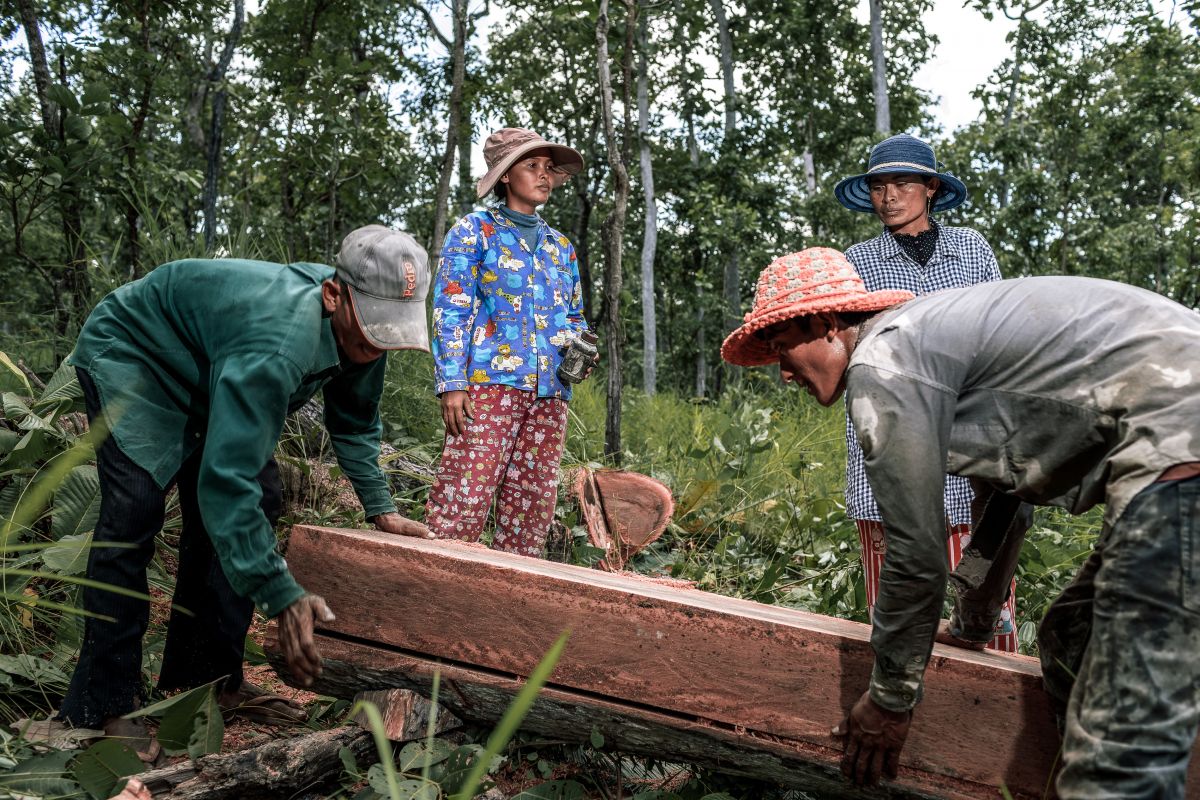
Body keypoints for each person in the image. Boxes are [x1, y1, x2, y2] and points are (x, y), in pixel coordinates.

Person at [721, 247, 1200, 797]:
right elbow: (1007, 496)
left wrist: (891, 697)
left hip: (1180, 452)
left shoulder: (885, 362)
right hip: (1173, 441)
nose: (782, 372)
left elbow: (916, 554)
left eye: (783, 347)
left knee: (1121, 756)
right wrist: (974, 620)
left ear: (827, 324)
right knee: (1071, 639)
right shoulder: (928, 345)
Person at [59, 225, 432, 742]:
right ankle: (99, 704)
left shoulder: (363, 334)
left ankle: (207, 679)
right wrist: (281, 595)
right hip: (138, 354)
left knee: (264, 495)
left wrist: (380, 507)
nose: (379, 343)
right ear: (333, 294)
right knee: (133, 515)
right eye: (374, 327)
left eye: (393, 329)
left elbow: (355, 422)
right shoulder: (279, 343)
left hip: (216, 368)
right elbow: (226, 483)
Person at [834, 132, 1022, 652]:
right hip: (888, 435)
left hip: (967, 436)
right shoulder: (858, 261)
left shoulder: (970, 249)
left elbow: (999, 333)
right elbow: (849, 352)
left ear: (931, 188)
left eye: (902, 183)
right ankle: (899, 711)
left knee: (984, 605)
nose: (889, 196)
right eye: (878, 186)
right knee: (897, 610)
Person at [425, 127, 592, 556]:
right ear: (504, 176)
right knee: (464, 497)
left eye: (547, 169)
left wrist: (580, 349)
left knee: (531, 508)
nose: (543, 176)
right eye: (531, 166)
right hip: (486, 386)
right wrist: (452, 383)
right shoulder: (474, 233)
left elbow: (573, 315)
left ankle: (511, 610)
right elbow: (451, 311)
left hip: (550, 393)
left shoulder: (561, 249)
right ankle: (434, 596)